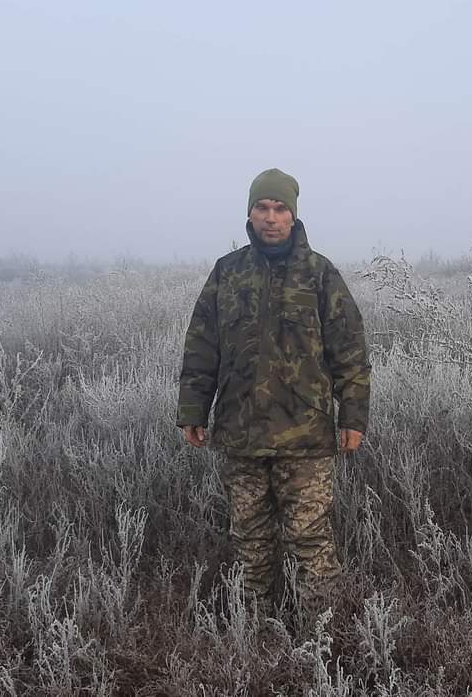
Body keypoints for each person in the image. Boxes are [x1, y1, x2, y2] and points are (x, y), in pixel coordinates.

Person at [177, 167, 371, 615]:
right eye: (262, 207)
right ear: (249, 213)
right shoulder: (227, 273)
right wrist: (193, 409)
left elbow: (350, 352)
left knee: (312, 540)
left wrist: (353, 418)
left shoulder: (320, 274)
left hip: (306, 436)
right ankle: (256, 634)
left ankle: (323, 642)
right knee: (250, 539)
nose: (271, 216)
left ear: (293, 215)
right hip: (240, 433)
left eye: (279, 208)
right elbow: (201, 346)